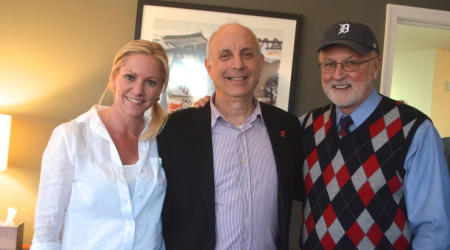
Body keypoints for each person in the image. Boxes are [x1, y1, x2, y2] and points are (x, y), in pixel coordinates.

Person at [299, 21, 450, 249]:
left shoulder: (414, 130)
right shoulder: (306, 125)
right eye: (329, 64)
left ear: (376, 66)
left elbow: (433, 229)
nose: (338, 75)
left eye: (351, 63)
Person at [157, 23, 302, 250]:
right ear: (209, 67)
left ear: (260, 63)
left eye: (247, 54)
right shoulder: (176, 130)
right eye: (226, 55)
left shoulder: (287, 128)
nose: (238, 64)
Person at [31, 40, 169, 250]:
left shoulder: (164, 138)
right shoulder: (70, 137)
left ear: (160, 89)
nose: (138, 90)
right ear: (114, 78)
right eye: (130, 77)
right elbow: (46, 233)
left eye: (150, 82)